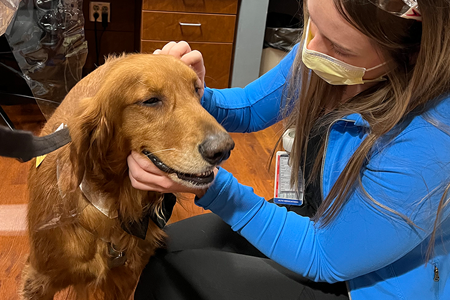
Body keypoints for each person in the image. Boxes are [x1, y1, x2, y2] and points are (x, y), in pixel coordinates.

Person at [127, 0, 450, 299]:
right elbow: (249, 108)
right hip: (322, 216)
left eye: (338, 47)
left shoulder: (431, 139)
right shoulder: (322, 53)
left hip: (362, 281)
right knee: (161, 250)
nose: (310, 49)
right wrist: (193, 93)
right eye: (312, 24)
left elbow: (324, 257)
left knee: (167, 281)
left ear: (409, 51)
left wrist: (208, 183)